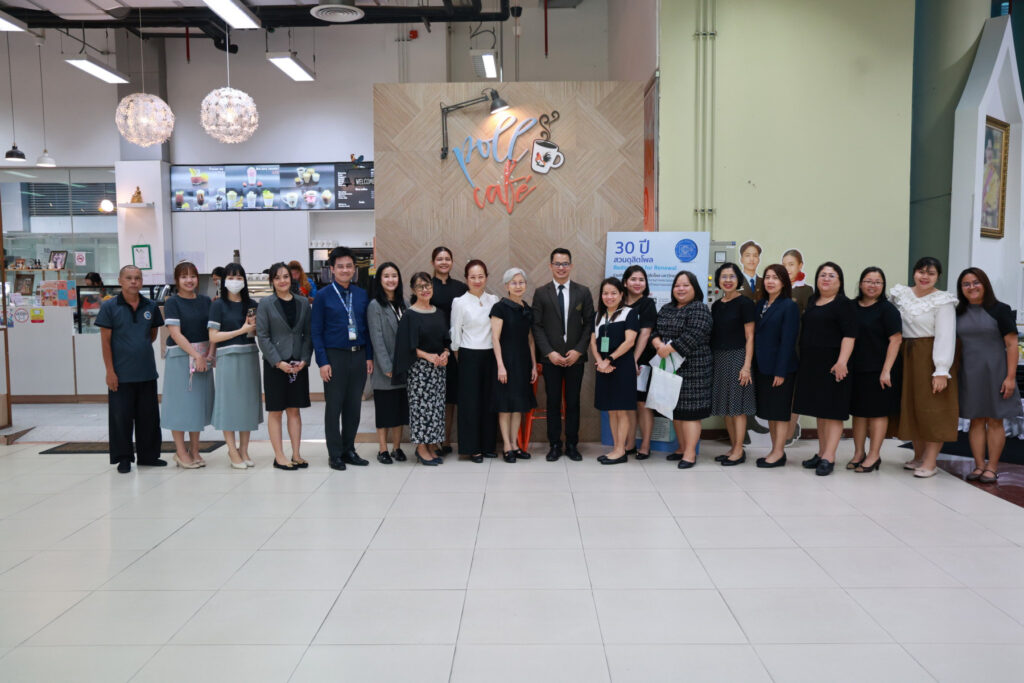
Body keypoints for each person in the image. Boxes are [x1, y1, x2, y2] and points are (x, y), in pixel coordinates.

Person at [889, 257, 959, 478]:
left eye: (931, 273)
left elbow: (946, 336)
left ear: (938, 276)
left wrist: (941, 369)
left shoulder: (942, 301)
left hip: (929, 356)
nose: (925, 277)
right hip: (905, 355)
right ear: (914, 273)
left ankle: (930, 461)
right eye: (921, 271)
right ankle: (918, 455)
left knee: (932, 409)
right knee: (912, 407)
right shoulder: (901, 295)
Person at [955, 267, 1022, 484]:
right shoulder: (957, 311)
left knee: (994, 420)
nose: (971, 287)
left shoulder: (1000, 310)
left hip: (996, 372)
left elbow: (1011, 344)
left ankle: (992, 467)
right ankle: (979, 465)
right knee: (975, 420)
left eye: (976, 282)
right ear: (961, 288)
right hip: (969, 373)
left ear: (985, 284)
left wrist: (1010, 377)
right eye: (966, 284)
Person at [96, 265, 166, 473]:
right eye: (129, 278)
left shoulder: (150, 306)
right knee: (121, 418)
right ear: (120, 281)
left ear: (142, 281)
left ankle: (148, 456)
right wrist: (110, 371)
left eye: (137, 278)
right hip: (121, 375)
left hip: (146, 372)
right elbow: (105, 342)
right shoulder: (109, 307)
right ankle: (124, 458)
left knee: (149, 417)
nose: (134, 281)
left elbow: (152, 335)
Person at [793, 262, 858, 476]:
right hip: (812, 364)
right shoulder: (813, 301)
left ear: (840, 281)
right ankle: (821, 453)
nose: (826, 279)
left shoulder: (844, 304)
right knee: (820, 412)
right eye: (823, 275)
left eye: (831, 275)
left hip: (834, 364)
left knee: (833, 413)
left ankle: (829, 457)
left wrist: (842, 362)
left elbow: (849, 335)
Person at [312, 246, 373, 471]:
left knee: (354, 407)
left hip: (358, 356)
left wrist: (368, 357)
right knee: (334, 407)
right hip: (334, 356)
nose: (345, 270)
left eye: (349, 266)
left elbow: (366, 329)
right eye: (340, 266)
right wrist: (323, 361)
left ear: (354, 268)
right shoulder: (322, 296)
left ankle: (349, 450)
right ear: (332, 269)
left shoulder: (361, 294)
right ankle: (335, 454)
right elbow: (316, 331)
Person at [533, 247, 595, 462]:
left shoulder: (583, 292)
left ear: (571, 265)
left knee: (573, 402)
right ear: (551, 266)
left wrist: (579, 350)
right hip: (551, 359)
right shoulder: (541, 293)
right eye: (557, 264)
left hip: (575, 359)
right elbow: (537, 326)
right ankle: (554, 445)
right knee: (552, 402)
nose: (561, 267)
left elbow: (589, 324)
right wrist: (549, 352)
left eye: (565, 263)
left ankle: (572, 444)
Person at [652, 271, 713, 468]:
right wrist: (657, 344)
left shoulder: (699, 308)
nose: (681, 289)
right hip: (670, 368)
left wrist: (668, 348)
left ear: (694, 288)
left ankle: (690, 453)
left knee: (690, 413)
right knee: (675, 411)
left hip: (694, 369)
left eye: (686, 285)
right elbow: (655, 330)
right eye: (677, 285)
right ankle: (681, 448)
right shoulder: (666, 308)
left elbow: (693, 335)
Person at [257, 262, 313, 471]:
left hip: (297, 364)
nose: (282, 281)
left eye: (286, 276)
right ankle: (279, 456)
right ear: (272, 281)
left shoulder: (303, 302)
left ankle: (296, 454)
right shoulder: (265, 304)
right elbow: (263, 336)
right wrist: (278, 362)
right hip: (275, 365)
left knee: (294, 410)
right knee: (276, 411)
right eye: (278, 277)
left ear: (292, 278)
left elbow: (308, 334)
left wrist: (304, 359)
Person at [208, 263, 262, 469]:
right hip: (227, 357)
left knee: (247, 405)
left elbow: (255, 333)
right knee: (229, 404)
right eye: (231, 278)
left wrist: (254, 328)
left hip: (249, 356)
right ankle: (232, 450)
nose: (235, 281)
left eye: (239, 278)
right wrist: (241, 330)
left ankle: (244, 449)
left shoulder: (252, 304)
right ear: (224, 281)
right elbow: (213, 336)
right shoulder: (218, 305)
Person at [848, 267, 902, 472]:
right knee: (859, 413)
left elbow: (896, 340)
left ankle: (874, 455)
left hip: (880, 370)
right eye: (868, 281)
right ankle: (858, 453)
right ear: (861, 283)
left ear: (883, 285)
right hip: (856, 368)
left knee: (878, 413)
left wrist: (886, 370)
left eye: (877, 282)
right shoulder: (851, 307)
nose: (872, 285)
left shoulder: (887, 309)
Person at [394, 272, 451, 465]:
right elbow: (405, 346)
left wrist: (445, 354)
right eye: (420, 286)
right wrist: (427, 356)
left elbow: (446, 340)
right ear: (413, 289)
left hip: (438, 369)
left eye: (428, 286)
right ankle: (420, 448)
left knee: (436, 409)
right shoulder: (409, 315)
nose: (425, 290)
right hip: (419, 370)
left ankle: (431, 445)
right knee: (420, 409)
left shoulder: (439, 312)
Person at [162, 261, 215, 469]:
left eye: (192, 276)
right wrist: (196, 355)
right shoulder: (172, 302)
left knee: (197, 406)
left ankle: (195, 450)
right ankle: (180, 451)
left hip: (203, 357)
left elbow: (212, 330)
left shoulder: (205, 301)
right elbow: (175, 334)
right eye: (184, 277)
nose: (189, 280)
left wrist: (209, 354)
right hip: (180, 357)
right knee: (180, 406)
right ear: (177, 280)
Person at [451, 260, 501, 463]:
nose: (477, 280)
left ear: (486, 278)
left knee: (489, 401)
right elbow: (455, 332)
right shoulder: (459, 302)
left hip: (491, 355)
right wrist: (459, 357)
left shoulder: (494, 300)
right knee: (470, 404)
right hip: (468, 355)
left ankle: (488, 445)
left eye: (481, 276)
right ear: (466, 279)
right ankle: (472, 448)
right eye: (473, 277)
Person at [753, 264, 800, 467]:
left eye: (775, 278)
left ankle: (779, 452)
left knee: (780, 413)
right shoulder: (761, 304)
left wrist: (780, 371)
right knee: (770, 413)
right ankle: (775, 450)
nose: (770, 281)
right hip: (763, 367)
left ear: (783, 282)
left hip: (781, 370)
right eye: (767, 277)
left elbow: (788, 341)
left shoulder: (789, 306)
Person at [710, 263, 756, 465]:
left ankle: (739, 450)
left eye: (732, 276)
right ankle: (733, 447)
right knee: (725, 406)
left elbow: (750, 336)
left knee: (737, 406)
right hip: (719, 358)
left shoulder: (745, 303)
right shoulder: (716, 305)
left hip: (738, 357)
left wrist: (746, 366)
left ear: (738, 279)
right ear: (718, 280)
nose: (727, 280)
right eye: (724, 276)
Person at [491, 268, 538, 463]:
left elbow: (530, 339)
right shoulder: (499, 308)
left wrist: (533, 365)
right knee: (505, 406)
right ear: (506, 286)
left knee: (518, 406)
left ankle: (515, 445)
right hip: (506, 362)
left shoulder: (527, 309)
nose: (518, 286)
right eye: (513, 282)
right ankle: (507, 446)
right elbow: (495, 338)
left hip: (523, 362)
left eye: (521, 282)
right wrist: (500, 366)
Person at [591, 277, 640, 465]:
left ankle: (621, 450)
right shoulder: (598, 316)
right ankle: (616, 448)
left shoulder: (629, 313)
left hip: (622, 367)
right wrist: (600, 362)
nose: (609, 297)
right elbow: (593, 343)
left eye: (613, 293)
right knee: (611, 410)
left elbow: (630, 341)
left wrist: (609, 359)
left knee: (622, 411)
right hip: (603, 368)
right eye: (605, 293)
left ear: (621, 294)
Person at [366, 262, 409, 465]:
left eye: (394, 276)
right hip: (386, 368)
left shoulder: (404, 303)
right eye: (386, 276)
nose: (391, 280)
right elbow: (377, 339)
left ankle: (397, 447)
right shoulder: (375, 305)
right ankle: (382, 449)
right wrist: (387, 366)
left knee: (399, 410)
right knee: (384, 410)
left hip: (403, 367)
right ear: (380, 280)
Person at [429, 246, 468, 455]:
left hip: (455, 349)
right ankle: (432, 441)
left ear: (452, 262)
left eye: (447, 259)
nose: (444, 262)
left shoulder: (461, 287)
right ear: (433, 262)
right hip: (432, 348)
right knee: (434, 397)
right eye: (439, 259)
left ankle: (445, 441)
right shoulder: (427, 286)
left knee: (451, 397)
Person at [622, 265, 658, 459]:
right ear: (625, 282)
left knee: (642, 403)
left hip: (640, 360)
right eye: (633, 279)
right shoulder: (619, 301)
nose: (637, 283)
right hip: (620, 358)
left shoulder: (647, 304)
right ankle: (629, 444)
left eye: (641, 279)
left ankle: (645, 445)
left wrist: (633, 360)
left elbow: (645, 334)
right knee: (627, 403)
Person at [782, 249, 813, 313]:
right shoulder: (778, 287)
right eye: (784, 265)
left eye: (791, 264)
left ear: (800, 266)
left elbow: (809, 315)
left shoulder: (806, 290)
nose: (786, 268)